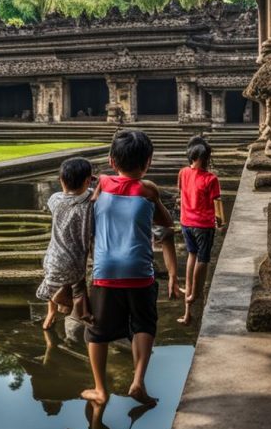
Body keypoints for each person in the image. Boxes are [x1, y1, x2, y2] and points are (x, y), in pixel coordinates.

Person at [82, 130, 174, 406]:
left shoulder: (103, 184)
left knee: (96, 331)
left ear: (112, 160)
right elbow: (166, 222)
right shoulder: (148, 190)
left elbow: (92, 207)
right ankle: (138, 381)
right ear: (147, 162)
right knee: (144, 324)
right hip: (140, 271)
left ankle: (100, 389)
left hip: (105, 271)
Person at [36, 157, 95, 330]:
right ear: (88, 180)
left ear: (61, 180)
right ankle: (80, 311)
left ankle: (51, 313)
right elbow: (96, 192)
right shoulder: (89, 203)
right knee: (79, 286)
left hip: (52, 257)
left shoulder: (54, 200)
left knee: (50, 285)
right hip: (75, 261)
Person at [176, 137, 224, 325]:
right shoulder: (211, 179)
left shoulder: (183, 173)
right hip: (203, 225)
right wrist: (220, 222)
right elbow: (217, 204)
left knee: (192, 255)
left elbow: (181, 195)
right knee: (203, 259)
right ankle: (194, 292)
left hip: (186, 222)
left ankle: (187, 310)